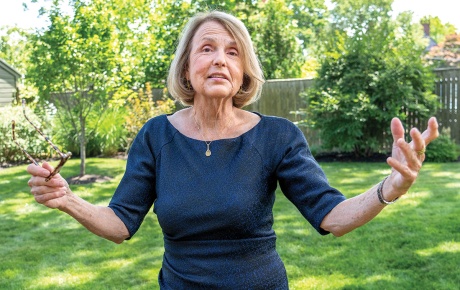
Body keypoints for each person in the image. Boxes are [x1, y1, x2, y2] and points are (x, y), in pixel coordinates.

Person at [26, 11, 439, 289]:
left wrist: (390, 188)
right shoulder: (156, 136)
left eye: (232, 51)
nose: (220, 60)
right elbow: (120, 224)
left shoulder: (278, 136)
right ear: (187, 66)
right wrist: (67, 199)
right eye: (207, 48)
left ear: (243, 72)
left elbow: (333, 217)